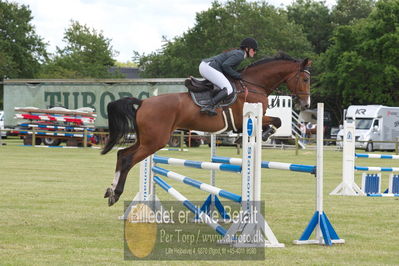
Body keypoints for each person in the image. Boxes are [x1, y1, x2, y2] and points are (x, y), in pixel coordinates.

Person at [198, 37, 258, 116]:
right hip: (209, 67)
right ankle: (209, 106)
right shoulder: (240, 54)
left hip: (206, 66)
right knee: (228, 89)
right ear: (247, 48)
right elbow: (225, 66)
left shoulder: (239, 53)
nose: (255, 52)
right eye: (254, 50)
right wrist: (238, 75)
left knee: (224, 85)